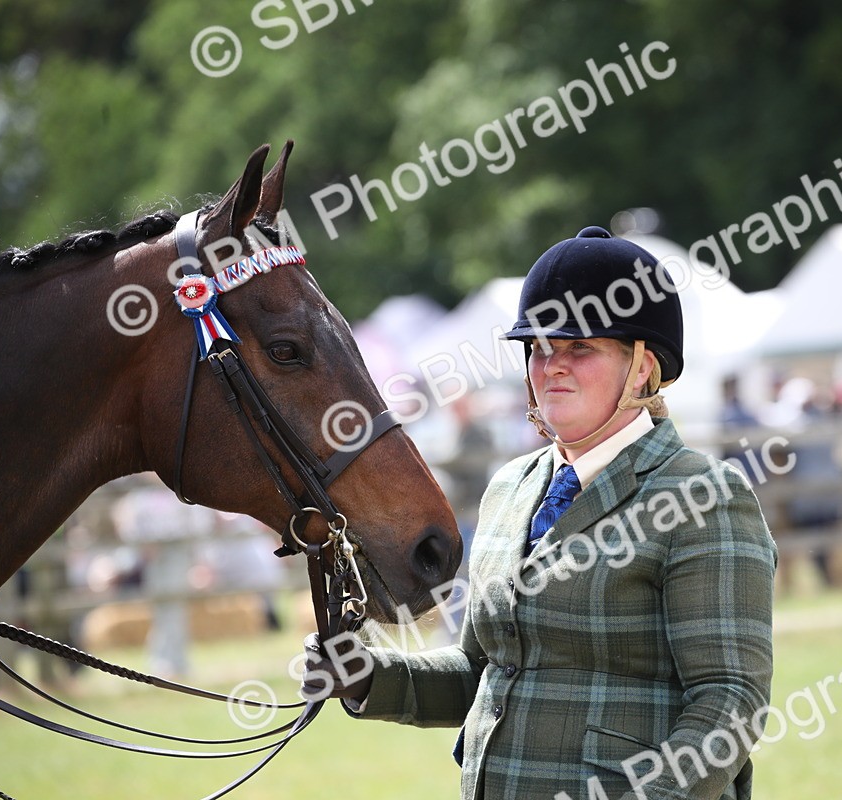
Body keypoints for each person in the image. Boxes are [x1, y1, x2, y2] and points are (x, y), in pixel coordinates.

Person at [304, 227, 777, 799]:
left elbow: (730, 700)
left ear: (644, 368)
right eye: (540, 347)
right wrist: (370, 677)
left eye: (580, 347)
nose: (552, 364)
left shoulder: (706, 497)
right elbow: (485, 673)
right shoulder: (509, 488)